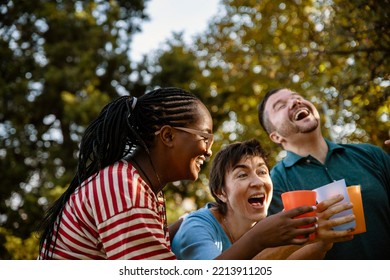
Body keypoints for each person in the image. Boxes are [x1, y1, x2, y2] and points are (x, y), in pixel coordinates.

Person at [38, 87, 216, 259]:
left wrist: (186, 222)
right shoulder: (125, 189)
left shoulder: (132, 184)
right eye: (205, 138)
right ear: (167, 136)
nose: (209, 151)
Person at [257, 88, 390, 259]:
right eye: (281, 106)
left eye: (297, 96)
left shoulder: (371, 155)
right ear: (276, 137)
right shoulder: (273, 184)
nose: (295, 102)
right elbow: (273, 260)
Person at [171, 139, 354, 260]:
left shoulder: (255, 225)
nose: (258, 182)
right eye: (242, 175)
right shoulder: (197, 228)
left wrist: (322, 240)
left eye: (262, 172)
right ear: (221, 193)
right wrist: (301, 234)